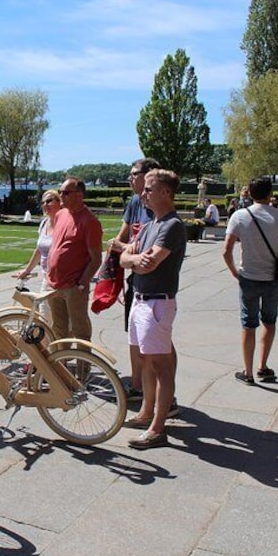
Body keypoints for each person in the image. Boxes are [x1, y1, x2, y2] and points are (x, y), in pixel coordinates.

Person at [120, 169, 187, 449]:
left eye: (149, 189)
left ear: (165, 193)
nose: (143, 194)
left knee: (160, 366)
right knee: (146, 361)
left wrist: (133, 259)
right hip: (140, 298)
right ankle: (147, 412)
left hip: (157, 302)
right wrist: (135, 259)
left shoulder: (172, 226)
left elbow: (153, 262)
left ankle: (158, 428)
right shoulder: (150, 226)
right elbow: (124, 257)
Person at [222, 176, 278, 386]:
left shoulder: (239, 216)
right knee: (269, 322)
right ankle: (263, 366)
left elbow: (226, 251)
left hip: (249, 277)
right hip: (273, 278)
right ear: (270, 193)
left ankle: (248, 372)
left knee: (248, 324)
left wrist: (235, 272)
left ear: (250, 193)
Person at [110, 157, 161, 404]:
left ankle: (162, 394)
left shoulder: (159, 209)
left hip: (157, 285)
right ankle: (137, 384)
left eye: (134, 174)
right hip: (135, 280)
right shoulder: (133, 202)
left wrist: (126, 250)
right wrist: (124, 249)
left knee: (155, 342)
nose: (130, 178)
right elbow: (122, 238)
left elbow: (145, 252)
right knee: (133, 334)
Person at [46, 177, 103, 341]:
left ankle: (83, 365)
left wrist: (82, 283)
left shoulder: (90, 221)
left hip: (73, 286)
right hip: (54, 284)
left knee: (80, 330)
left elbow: (96, 259)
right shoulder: (60, 215)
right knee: (58, 329)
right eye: (60, 192)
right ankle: (61, 364)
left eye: (65, 193)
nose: (61, 196)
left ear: (79, 195)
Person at [16, 189, 62, 319]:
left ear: (60, 202)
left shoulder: (64, 224)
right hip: (47, 278)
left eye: (49, 201)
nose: (45, 205)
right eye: (43, 202)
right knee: (44, 317)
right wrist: (27, 270)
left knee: (61, 321)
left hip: (62, 280)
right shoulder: (44, 223)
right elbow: (39, 250)